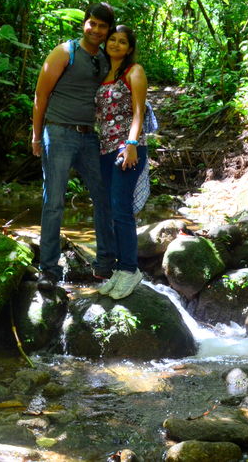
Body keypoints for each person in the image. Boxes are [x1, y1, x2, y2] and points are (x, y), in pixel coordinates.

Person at [31, 2, 117, 289]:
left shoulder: (104, 59)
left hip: (89, 137)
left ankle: (105, 264)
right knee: (53, 201)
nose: (95, 29)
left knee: (103, 197)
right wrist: (35, 135)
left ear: (108, 31)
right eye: (92, 23)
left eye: (102, 26)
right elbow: (40, 96)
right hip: (58, 133)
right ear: (84, 24)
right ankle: (49, 270)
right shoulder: (64, 52)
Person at [95, 25, 148, 299]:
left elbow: (139, 111)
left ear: (129, 48)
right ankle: (119, 268)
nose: (116, 44)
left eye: (122, 41)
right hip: (104, 150)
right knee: (110, 211)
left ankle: (130, 269)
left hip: (126, 149)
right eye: (112, 40)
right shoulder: (102, 73)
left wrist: (131, 144)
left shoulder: (134, 71)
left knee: (121, 210)